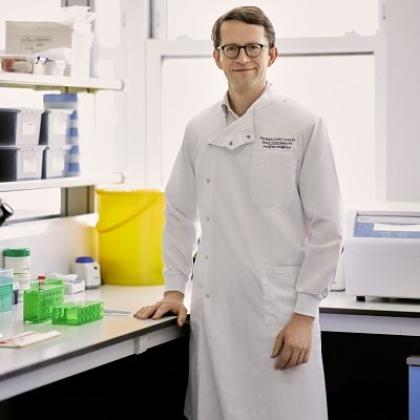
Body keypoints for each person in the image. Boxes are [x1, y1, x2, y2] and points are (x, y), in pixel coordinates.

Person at [134, 6, 343, 420]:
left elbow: (328, 227)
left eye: (253, 47)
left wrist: (305, 315)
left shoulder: (302, 123)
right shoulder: (199, 128)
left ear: (272, 54)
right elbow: (178, 212)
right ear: (216, 57)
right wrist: (175, 291)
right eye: (231, 48)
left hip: (280, 314)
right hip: (216, 309)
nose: (242, 58)